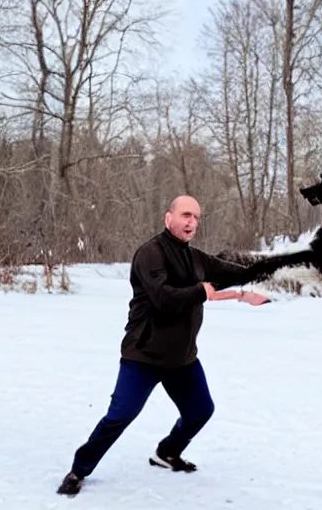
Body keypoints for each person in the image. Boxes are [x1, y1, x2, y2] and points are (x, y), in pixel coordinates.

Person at [57, 195, 278, 497]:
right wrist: (206, 291)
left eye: (197, 217)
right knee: (120, 416)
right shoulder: (150, 254)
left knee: (200, 410)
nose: (192, 222)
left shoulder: (196, 258)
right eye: (186, 215)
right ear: (168, 218)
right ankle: (78, 470)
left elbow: (234, 272)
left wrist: (278, 266)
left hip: (182, 359)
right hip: (143, 356)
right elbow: (164, 298)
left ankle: (167, 452)